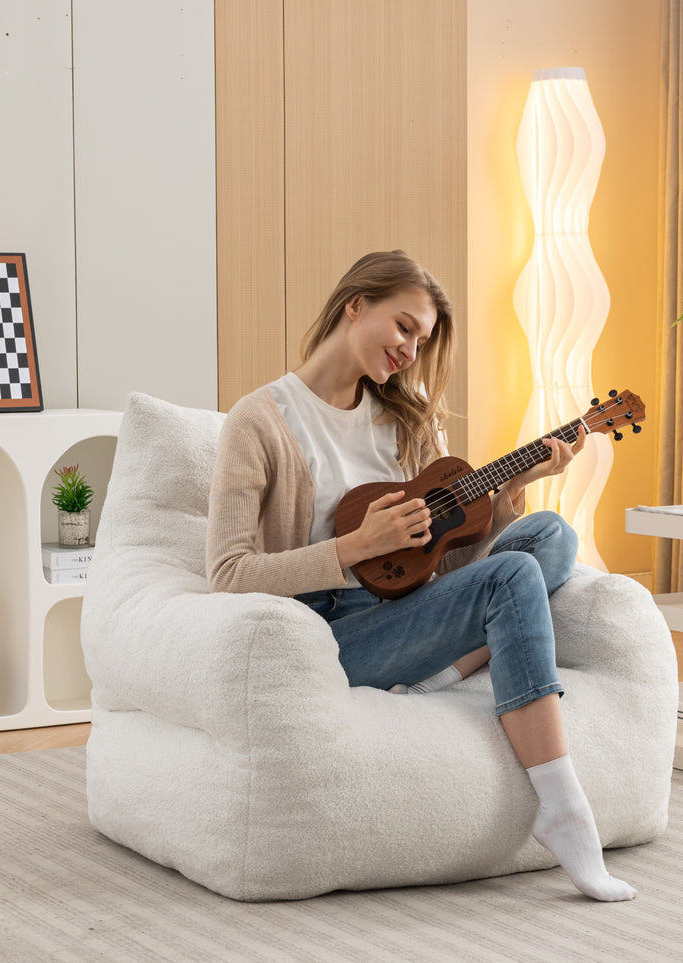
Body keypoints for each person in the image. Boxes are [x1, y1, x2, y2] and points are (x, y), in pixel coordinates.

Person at [206, 250, 634, 901]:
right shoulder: (259, 420)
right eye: (403, 326)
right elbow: (228, 574)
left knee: (547, 535)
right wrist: (352, 545)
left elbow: (448, 562)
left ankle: (445, 670)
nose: (410, 349)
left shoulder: (404, 421)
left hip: (409, 608)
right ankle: (563, 808)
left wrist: (516, 486)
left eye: (421, 339)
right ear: (355, 303)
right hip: (334, 634)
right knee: (514, 574)